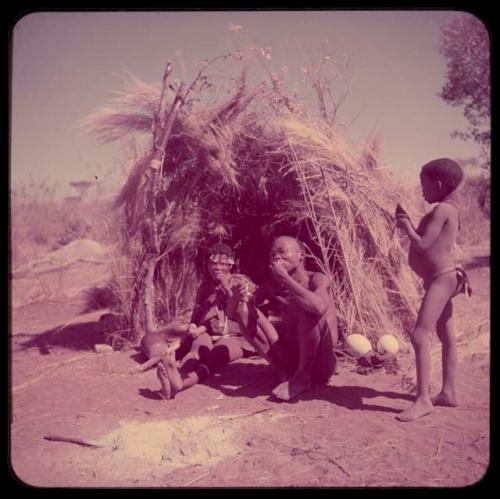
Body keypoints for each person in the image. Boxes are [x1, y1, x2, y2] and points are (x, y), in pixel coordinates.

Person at [395, 158, 471, 422]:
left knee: (418, 336)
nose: (422, 191)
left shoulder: (441, 210)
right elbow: (430, 242)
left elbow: (424, 245)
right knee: (446, 335)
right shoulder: (449, 210)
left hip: (442, 278)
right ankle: (448, 392)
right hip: (444, 278)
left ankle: (423, 400)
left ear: (438, 185)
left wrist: (406, 228)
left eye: (424, 186)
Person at [229, 235, 339, 401]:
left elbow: (318, 307)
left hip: (321, 364)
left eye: (282, 251)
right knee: (245, 309)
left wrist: (286, 280)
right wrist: (236, 298)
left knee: (307, 306)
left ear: (300, 255)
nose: (276, 256)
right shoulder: (271, 286)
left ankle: (303, 378)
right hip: (291, 360)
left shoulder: (317, 279)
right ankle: (284, 372)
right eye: (272, 254)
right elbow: (235, 315)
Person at [156, 242, 257, 399]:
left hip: (237, 337)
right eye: (213, 263)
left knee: (213, 359)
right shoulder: (204, 288)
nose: (217, 267)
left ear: (231, 264)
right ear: (207, 265)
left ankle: (181, 385)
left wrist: (225, 286)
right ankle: (175, 375)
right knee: (196, 351)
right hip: (209, 333)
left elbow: (250, 307)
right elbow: (195, 318)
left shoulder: (242, 281)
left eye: (222, 263)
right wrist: (192, 327)